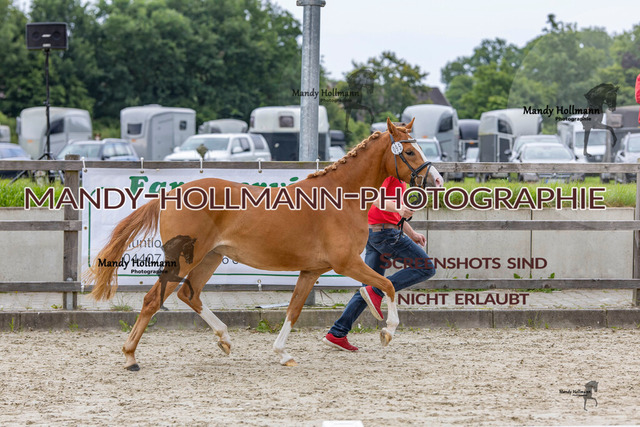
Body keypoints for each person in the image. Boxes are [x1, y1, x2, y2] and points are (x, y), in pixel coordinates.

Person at [323, 176, 437, 351]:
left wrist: (411, 233)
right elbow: (373, 197)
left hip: (376, 233)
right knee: (426, 267)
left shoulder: (401, 179)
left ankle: (337, 333)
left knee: (367, 289)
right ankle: (378, 290)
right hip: (385, 235)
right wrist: (398, 207)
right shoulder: (390, 175)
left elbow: (393, 215)